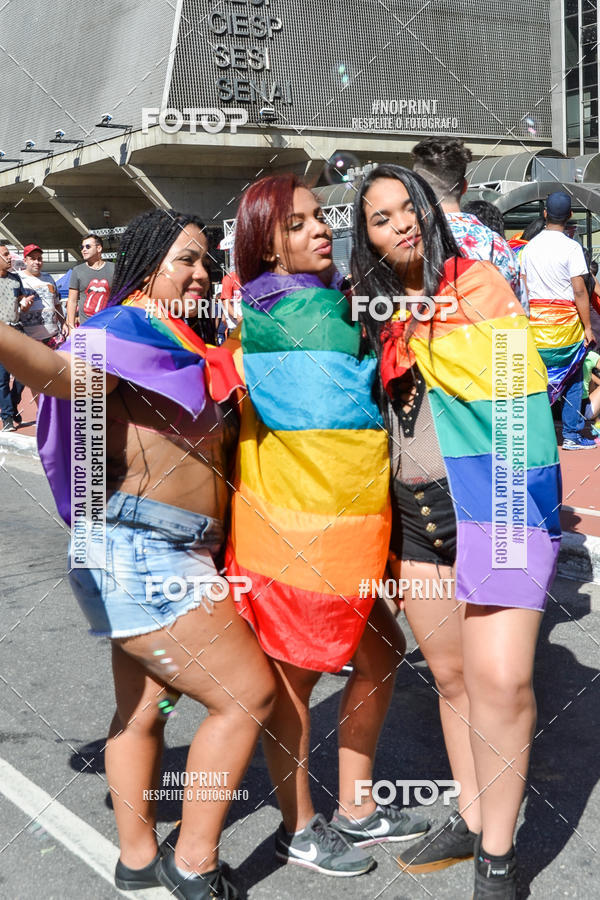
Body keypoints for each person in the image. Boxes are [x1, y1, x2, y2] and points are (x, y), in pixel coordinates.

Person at [0, 209, 276, 900]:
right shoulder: (119, 333)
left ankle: (137, 856)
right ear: (148, 265)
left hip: (163, 548)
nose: (201, 272)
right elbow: (62, 376)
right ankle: (195, 863)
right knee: (246, 695)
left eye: (207, 260)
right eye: (186, 259)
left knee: (144, 709)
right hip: (143, 550)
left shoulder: (182, 338)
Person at [351, 164, 561, 900]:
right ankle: (473, 817)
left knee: (502, 682)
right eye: (380, 218)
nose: (401, 223)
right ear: (367, 238)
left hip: (494, 504)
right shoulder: (377, 313)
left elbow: (520, 411)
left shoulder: (478, 287)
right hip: (417, 521)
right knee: (451, 678)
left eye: (408, 206)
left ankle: (497, 858)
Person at [226, 173, 428, 878]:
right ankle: (299, 826)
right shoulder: (278, 312)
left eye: (320, 217)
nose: (320, 229)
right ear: (266, 244)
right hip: (298, 529)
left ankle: (357, 806)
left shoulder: (328, 303)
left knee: (381, 652)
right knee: (296, 676)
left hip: (345, 528)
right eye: (298, 224)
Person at [520, 191, 595, 450]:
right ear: (570, 216)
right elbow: (579, 291)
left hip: (536, 327)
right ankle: (572, 435)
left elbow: (524, 290)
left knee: (536, 378)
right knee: (573, 376)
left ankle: (536, 435)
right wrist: (587, 327)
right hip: (566, 328)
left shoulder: (529, 248)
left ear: (545, 214)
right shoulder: (571, 248)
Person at [412, 137, 521, 299]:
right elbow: (518, 308)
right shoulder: (498, 246)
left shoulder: (408, 243)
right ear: (464, 186)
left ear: (417, 189)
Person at [0, 240, 33, 431]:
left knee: (24, 374)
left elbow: (21, 300)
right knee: (2, 379)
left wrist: (25, 303)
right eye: (5, 254)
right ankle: (6, 418)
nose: (9, 257)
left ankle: (12, 405)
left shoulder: (15, 279)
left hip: (17, 331)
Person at [19, 244, 64, 349]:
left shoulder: (49, 278)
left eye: (39, 258)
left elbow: (57, 304)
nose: (37, 262)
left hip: (54, 337)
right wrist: (23, 307)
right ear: (25, 261)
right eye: (32, 258)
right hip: (30, 340)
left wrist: (63, 323)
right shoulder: (18, 279)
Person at [66, 233, 115, 330]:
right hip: (87, 327)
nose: (83, 250)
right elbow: (72, 300)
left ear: (99, 248)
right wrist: (71, 326)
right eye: (82, 247)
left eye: (88, 247)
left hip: (109, 326)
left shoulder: (113, 268)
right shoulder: (77, 270)